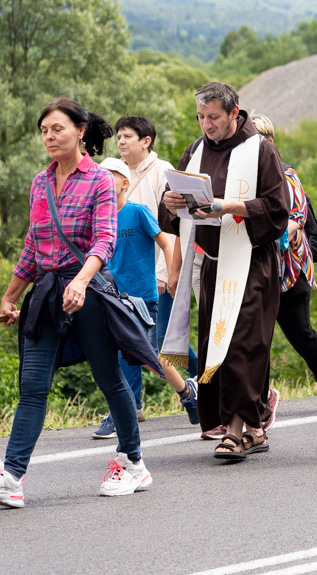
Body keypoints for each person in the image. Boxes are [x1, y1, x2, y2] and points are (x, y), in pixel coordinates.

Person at [0, 98, 152, 507]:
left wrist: (82, 281)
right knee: (32, 386)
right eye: (44, 130)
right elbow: (33, 247)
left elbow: (104, 238)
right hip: (47, 294)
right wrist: (10, 297)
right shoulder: (40, 183)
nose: (49, 137)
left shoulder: (99, 180)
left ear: (80, 131)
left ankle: (134, 463)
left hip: (87, 294)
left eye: (57, 129)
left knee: (109, 380)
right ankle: (11, 477)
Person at [160, 82, 291, 461]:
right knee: (219, 344)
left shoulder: (260, 150)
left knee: (241, 346)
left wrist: (228, 205)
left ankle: (234, 433)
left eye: (214, 117)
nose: (207, 125)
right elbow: (174, 208)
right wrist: (170, 202)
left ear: (235, 113)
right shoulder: (196, 151)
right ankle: (253, 428)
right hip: (214, 265)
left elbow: (277, 208)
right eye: (201, 117)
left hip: (252, 263)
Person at [90, 158, 198, 440]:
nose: (102, 181)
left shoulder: (138, 212)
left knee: (153, 359)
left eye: (109, 176)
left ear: (124, 183)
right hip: (111, 298)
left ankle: (188, 394)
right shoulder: (98, 218)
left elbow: (166, 241)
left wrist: (172, 276)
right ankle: (117, 414)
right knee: (111, 358)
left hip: (143, 299)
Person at [250, 113, 317, 412]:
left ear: (270, 142)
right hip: (257, 268)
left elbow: (297, 217)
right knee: (254, 335)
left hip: (290, 269)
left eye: (260, 140)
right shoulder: (243, 179)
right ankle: (257, 395)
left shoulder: (285, 175)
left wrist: (270, 235)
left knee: (298, 332)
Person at [115, 116, 200, 405]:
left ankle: (211, 380)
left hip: (157, 274)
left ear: (146, 141)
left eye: (127, 136)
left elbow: (173, 226)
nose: (121, 142)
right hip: (128, 275)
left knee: (162, 341)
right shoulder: (119, 173)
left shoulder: (162, 171)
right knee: (128, 339)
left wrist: (165, 273)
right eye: (118, 137)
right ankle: (132, 404)